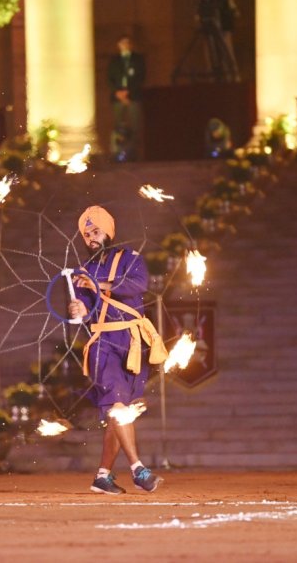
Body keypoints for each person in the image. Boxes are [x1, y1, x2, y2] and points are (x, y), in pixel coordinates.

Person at [68, 206, 168, 494]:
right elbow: (85, 310)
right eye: (86, 234)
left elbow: (138, 285)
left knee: (121, 413)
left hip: (133, 343)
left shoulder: (130, 258)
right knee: (118, 406)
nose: (91, 238)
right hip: (104, 345)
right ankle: (139, 470)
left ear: (109, 232)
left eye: (95, 232)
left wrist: (95, 284)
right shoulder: (83, 272)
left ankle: (102, 476)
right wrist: (78, 307)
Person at [107, 35, 145, 162]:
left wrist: (128, 93)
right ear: (118, 45)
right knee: (118, 126)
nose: (125, 45)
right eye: (122, 43)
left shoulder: (138, 59)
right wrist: (118, 92)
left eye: (127, 43)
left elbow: (141, 78)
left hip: (133, 96)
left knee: (135, 125)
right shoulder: (114, 61)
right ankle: (117, 152)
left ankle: (134, 153)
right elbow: (109, 78)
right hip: (117, 97)